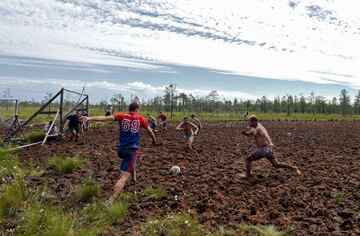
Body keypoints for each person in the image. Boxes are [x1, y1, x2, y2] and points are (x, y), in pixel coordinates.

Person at [80, 102, 157, 203]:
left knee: (130, 162)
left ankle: (134, 177)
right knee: (123, 177)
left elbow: (105, 118)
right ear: (137, 109)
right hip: (132, 149)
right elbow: (150, 131)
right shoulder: (140, 118)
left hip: (121, 149)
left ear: (129, 109)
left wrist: (89, 118)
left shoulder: (122, 116)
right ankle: (110, 201)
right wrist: (154, 141)